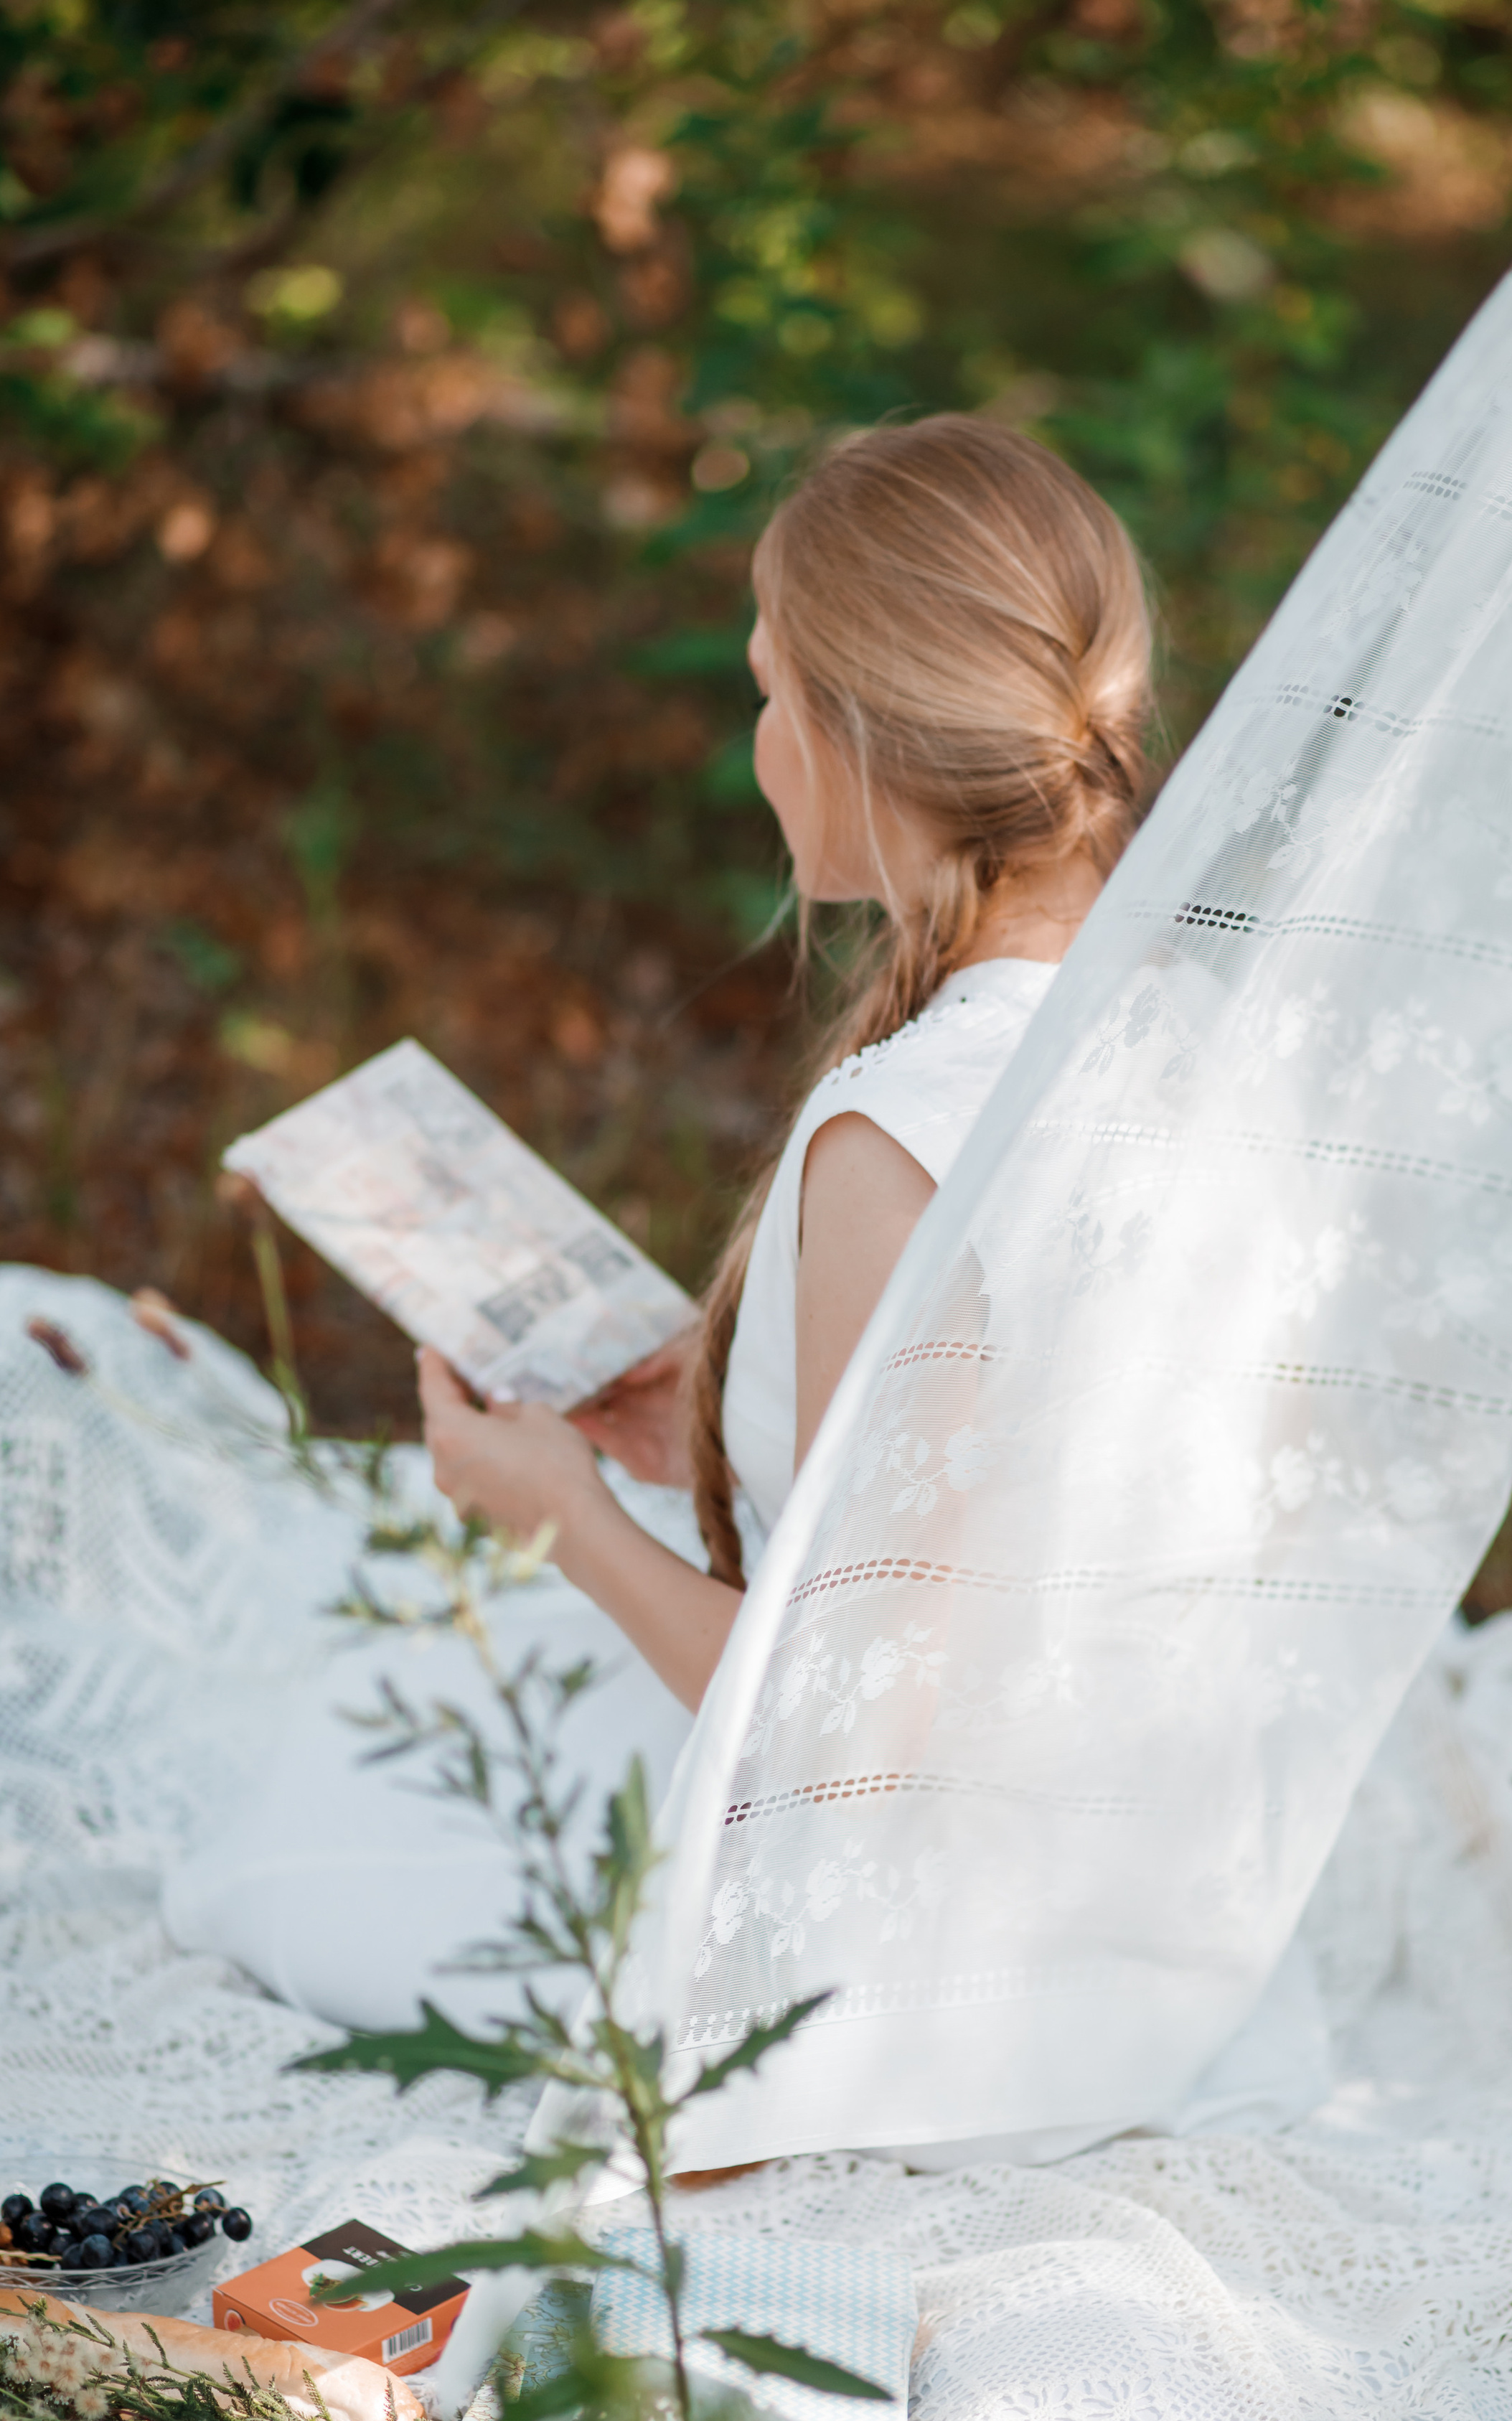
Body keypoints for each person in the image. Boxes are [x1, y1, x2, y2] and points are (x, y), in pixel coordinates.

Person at [157, 413, 1158, 2033]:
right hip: (1114, 1846)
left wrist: (564, 1520)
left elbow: (843, 1739)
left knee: (291, 1845)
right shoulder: (1165, 1021)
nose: (758, 735)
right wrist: (714, 1382)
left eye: (766, 692)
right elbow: (992, 1433)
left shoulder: (894, 1141)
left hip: (900, 1946)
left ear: (844, 729)